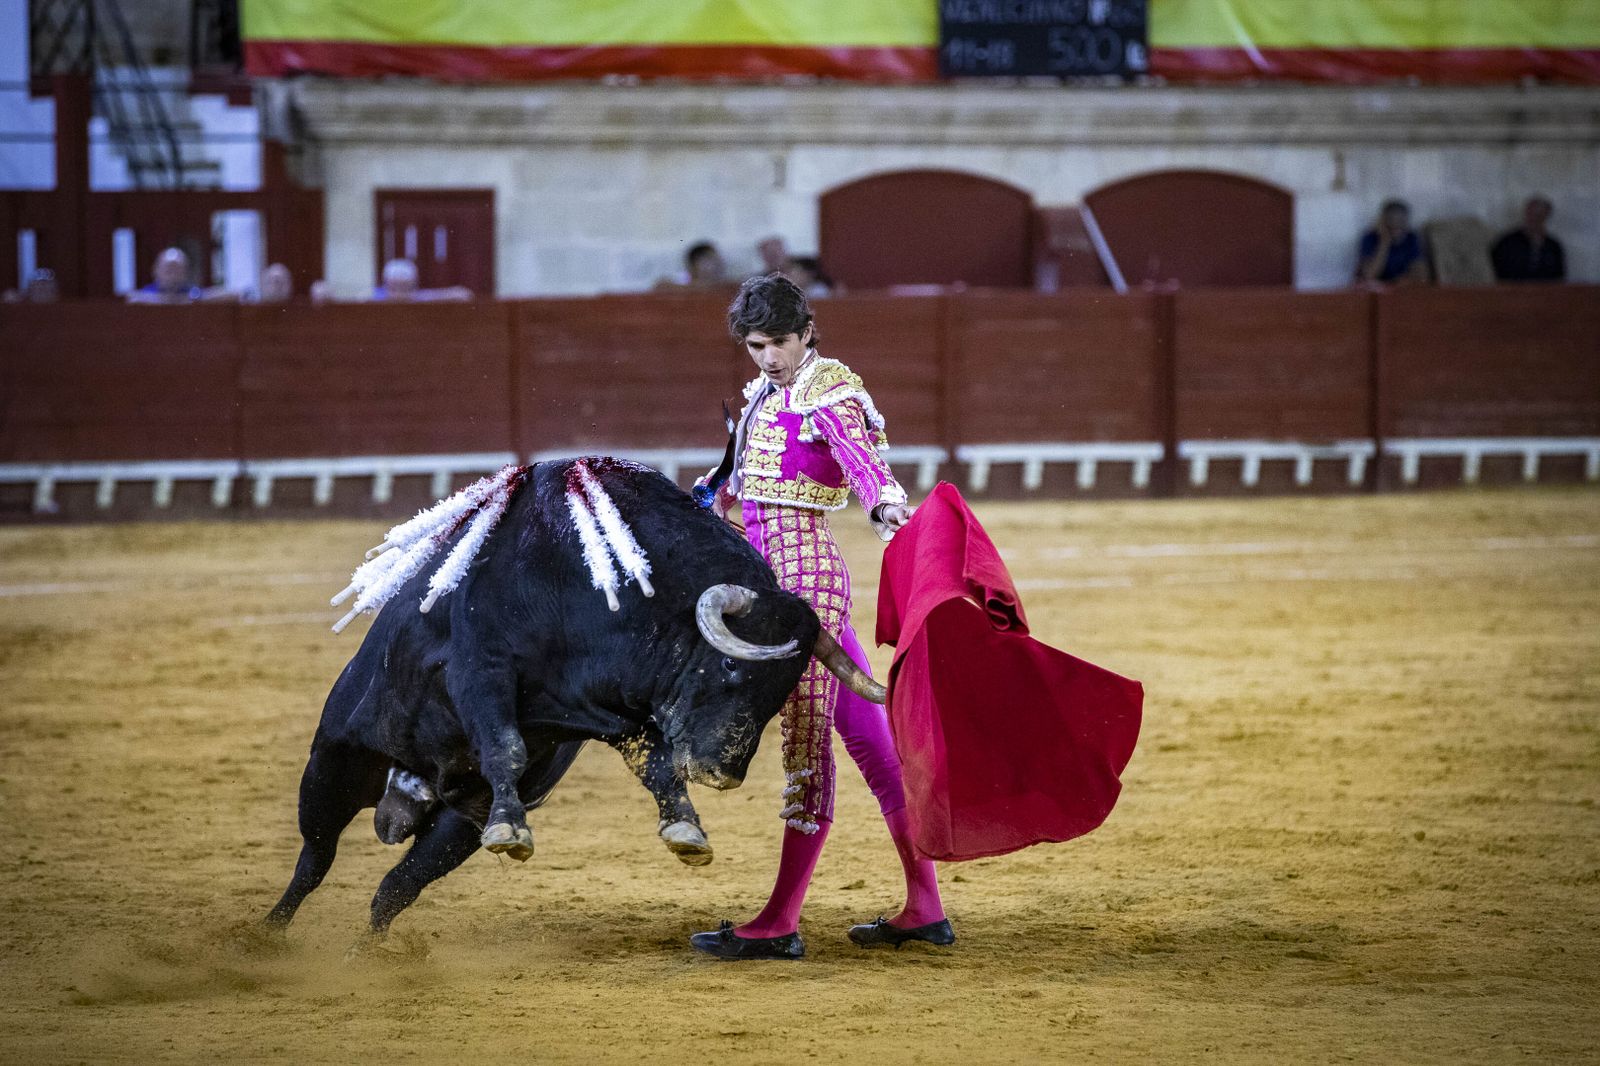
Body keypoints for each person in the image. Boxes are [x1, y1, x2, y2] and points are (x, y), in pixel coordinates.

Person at [689, 273, 950, 960]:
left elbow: (865, 464)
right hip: (767, 580)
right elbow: (740, 483)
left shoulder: (830, 391)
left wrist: (887, 505)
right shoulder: (761, 398)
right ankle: (926, 905)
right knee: (872, 741)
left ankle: (778, 923)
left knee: (807, 750)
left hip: (806, 591)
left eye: (778, 342)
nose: (768, 356)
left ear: (805, 333)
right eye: (755, 345)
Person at [1491, 196, 1566, 283]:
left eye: (1539, 216)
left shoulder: (1553, 246)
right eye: (1532, 215)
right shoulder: (1507, 243)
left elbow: (1559, 277)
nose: (1535, 219)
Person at [126, 247, 237, 304]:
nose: (173, 274)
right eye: (169, 269)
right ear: (156, 270)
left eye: (178, 269)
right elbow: (132, 298)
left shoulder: (192, 292)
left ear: (186, 272)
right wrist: (175, 301)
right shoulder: (147, 292)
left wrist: (191, 298)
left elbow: (232, 295)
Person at [1355, 200, 1428, 285]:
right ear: (1383, 221)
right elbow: (1369, 275)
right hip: (1376, 290)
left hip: (1401, 288)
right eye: (1391, 220)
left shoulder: (1412, 239)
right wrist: (1384, 242)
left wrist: (1401, 281)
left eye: (1400, 221)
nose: (1395, 224)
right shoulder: (1370, 238)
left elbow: (1421, 275)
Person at [371, 258, 471, 302]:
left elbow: (463, 293)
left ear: (413, 285)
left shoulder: (419, 296)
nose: (399, 294)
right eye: (394, 288)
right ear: (386, 284)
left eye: (404, 288)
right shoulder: (374, 296)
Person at [655, 241, 728, 290]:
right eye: (710, 261)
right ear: (694, 265)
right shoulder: (682, 279)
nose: (716, 266)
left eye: (717, 261)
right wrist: (701, 287)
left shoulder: (722, 282)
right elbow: (660, 285)